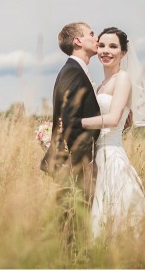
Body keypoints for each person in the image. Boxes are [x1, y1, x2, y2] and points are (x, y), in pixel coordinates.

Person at [73, 27, 145, 238]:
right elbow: (120, 121)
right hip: (97, 158)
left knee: (125, 216)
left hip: (113, 158)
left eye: (113, 46)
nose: (105, 51)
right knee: (104, 218)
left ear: (123, 53)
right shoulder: (100, 86)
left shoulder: (123, 78)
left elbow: (112, 119)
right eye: (101, 45)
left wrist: (76, 122)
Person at [40, 22, 102, 205]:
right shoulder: (73, 72)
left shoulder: (74, 70)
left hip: (73, 165)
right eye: (91, 34)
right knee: (74, 226)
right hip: (73, 166)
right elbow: (70, 123)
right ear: (77, 41)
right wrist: (85, 164)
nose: (97, 38)